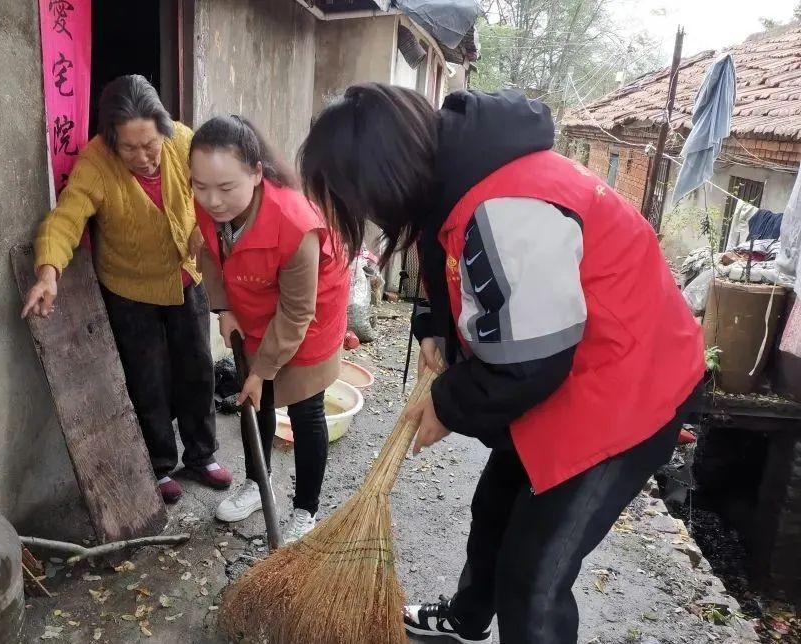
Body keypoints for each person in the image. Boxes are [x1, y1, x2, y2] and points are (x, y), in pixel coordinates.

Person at [298, 84, 704, 644]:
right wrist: (436, 332)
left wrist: (447, 403)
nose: (366, 214)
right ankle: (467, 619)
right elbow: (464, 275)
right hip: (570, 368)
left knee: (534, 576)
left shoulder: (510, 207)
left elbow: (530, 364)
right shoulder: (460, 176)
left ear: (384, 178)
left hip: (629, 391)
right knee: (495, 509)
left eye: (359, 200)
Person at [21, 75, 232, 504]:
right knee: (147, 379)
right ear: (110, 138)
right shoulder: (96, 163)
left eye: (150, 144)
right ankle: (157, 465)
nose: (143, 157)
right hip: (130, 290)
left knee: (198, 369)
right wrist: (48, 274)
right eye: (129, 147)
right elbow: (65, 219)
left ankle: (201, 455)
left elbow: (217, 192)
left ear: (164, 129)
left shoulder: (184, 143)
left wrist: (206, 230)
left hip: (185, 279)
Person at [189, 115, 349, 543]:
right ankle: (258, 486)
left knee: (304, 411)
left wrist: (262, 370)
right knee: (252, 403)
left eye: (225, 188)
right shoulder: (208, 206)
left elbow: (297, 313)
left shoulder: (295, 224)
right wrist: (223, 309)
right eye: (200, 186)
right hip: (253, 302)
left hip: (309, 315)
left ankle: (305, 510)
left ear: (257, 173)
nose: (212, 200)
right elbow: (207, 252)